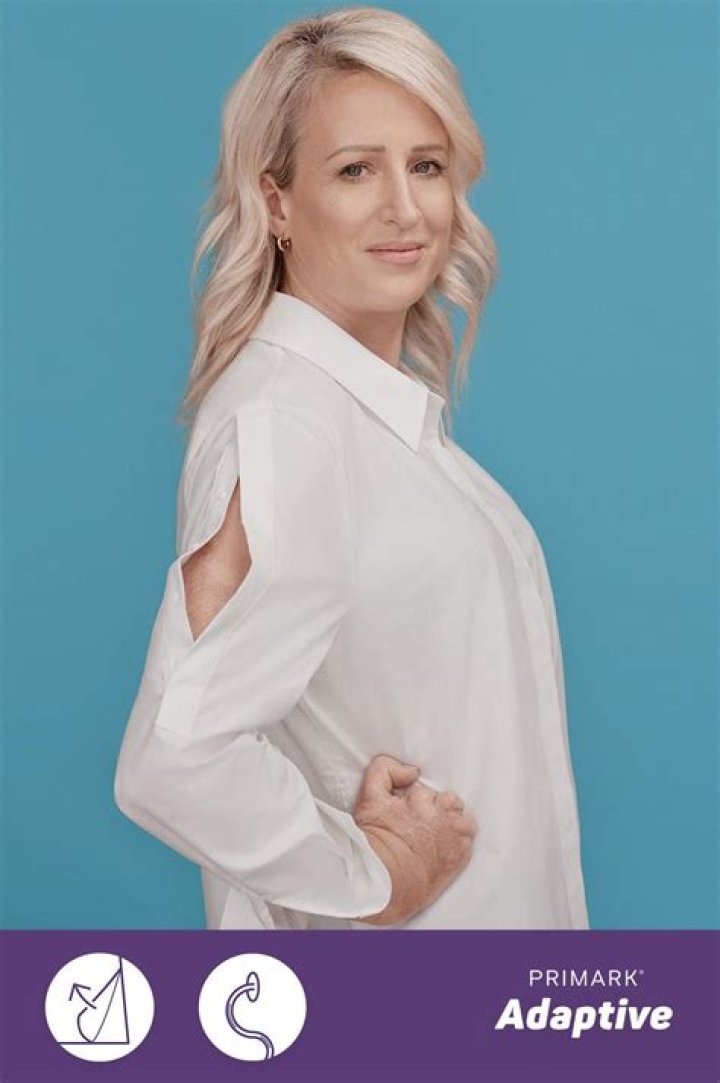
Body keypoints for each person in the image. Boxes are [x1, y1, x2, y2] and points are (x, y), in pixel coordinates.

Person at [114, 6, 590, 931]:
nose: (404, 208)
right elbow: (177, 757)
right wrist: (373, 875)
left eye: (427, 165)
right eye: (355, 170)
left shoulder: (367, 417)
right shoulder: (290, 423)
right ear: (277, 203)